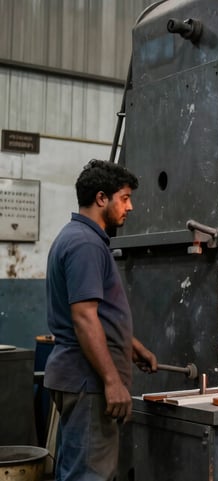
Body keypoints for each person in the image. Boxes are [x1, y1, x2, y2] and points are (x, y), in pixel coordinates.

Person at [44, 160, 157, 481]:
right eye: (124, 198)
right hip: (88, 381)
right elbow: (83, 318)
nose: (130, 206)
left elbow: (95, 312)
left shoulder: (79, 238)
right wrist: (112, 381)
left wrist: (131, 345)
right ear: (101, 198)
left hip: (79, 378)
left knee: (77, 471)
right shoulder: (85, 244)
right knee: (89, 475)